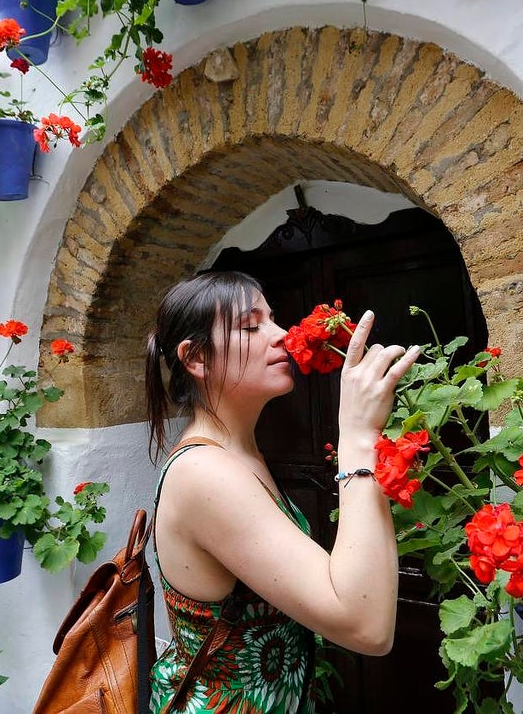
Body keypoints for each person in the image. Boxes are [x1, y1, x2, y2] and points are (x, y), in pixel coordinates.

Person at [145, 271, 421, 713]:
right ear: (196, 358)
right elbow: (366, 626)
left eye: (273, 319)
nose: (283, 336)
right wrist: (356, 437)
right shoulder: (204, 473)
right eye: (252, 326)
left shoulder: (239, 453)